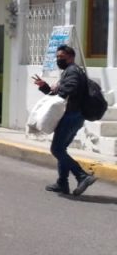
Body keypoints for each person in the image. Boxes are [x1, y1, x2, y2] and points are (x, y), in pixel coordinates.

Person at [32, 44, 96, 196]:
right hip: (73, 115)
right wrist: (46, 87)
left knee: (57, 149)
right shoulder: (68, 71)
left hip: (72, 116)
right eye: (58, 57)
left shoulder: (73, 71)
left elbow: (70, 89)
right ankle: (62, 183)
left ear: (71, 57)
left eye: (62, 57)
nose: (58, 59)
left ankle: (82, 176)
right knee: (62, 150)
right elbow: (61, 94)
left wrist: (57, 88)